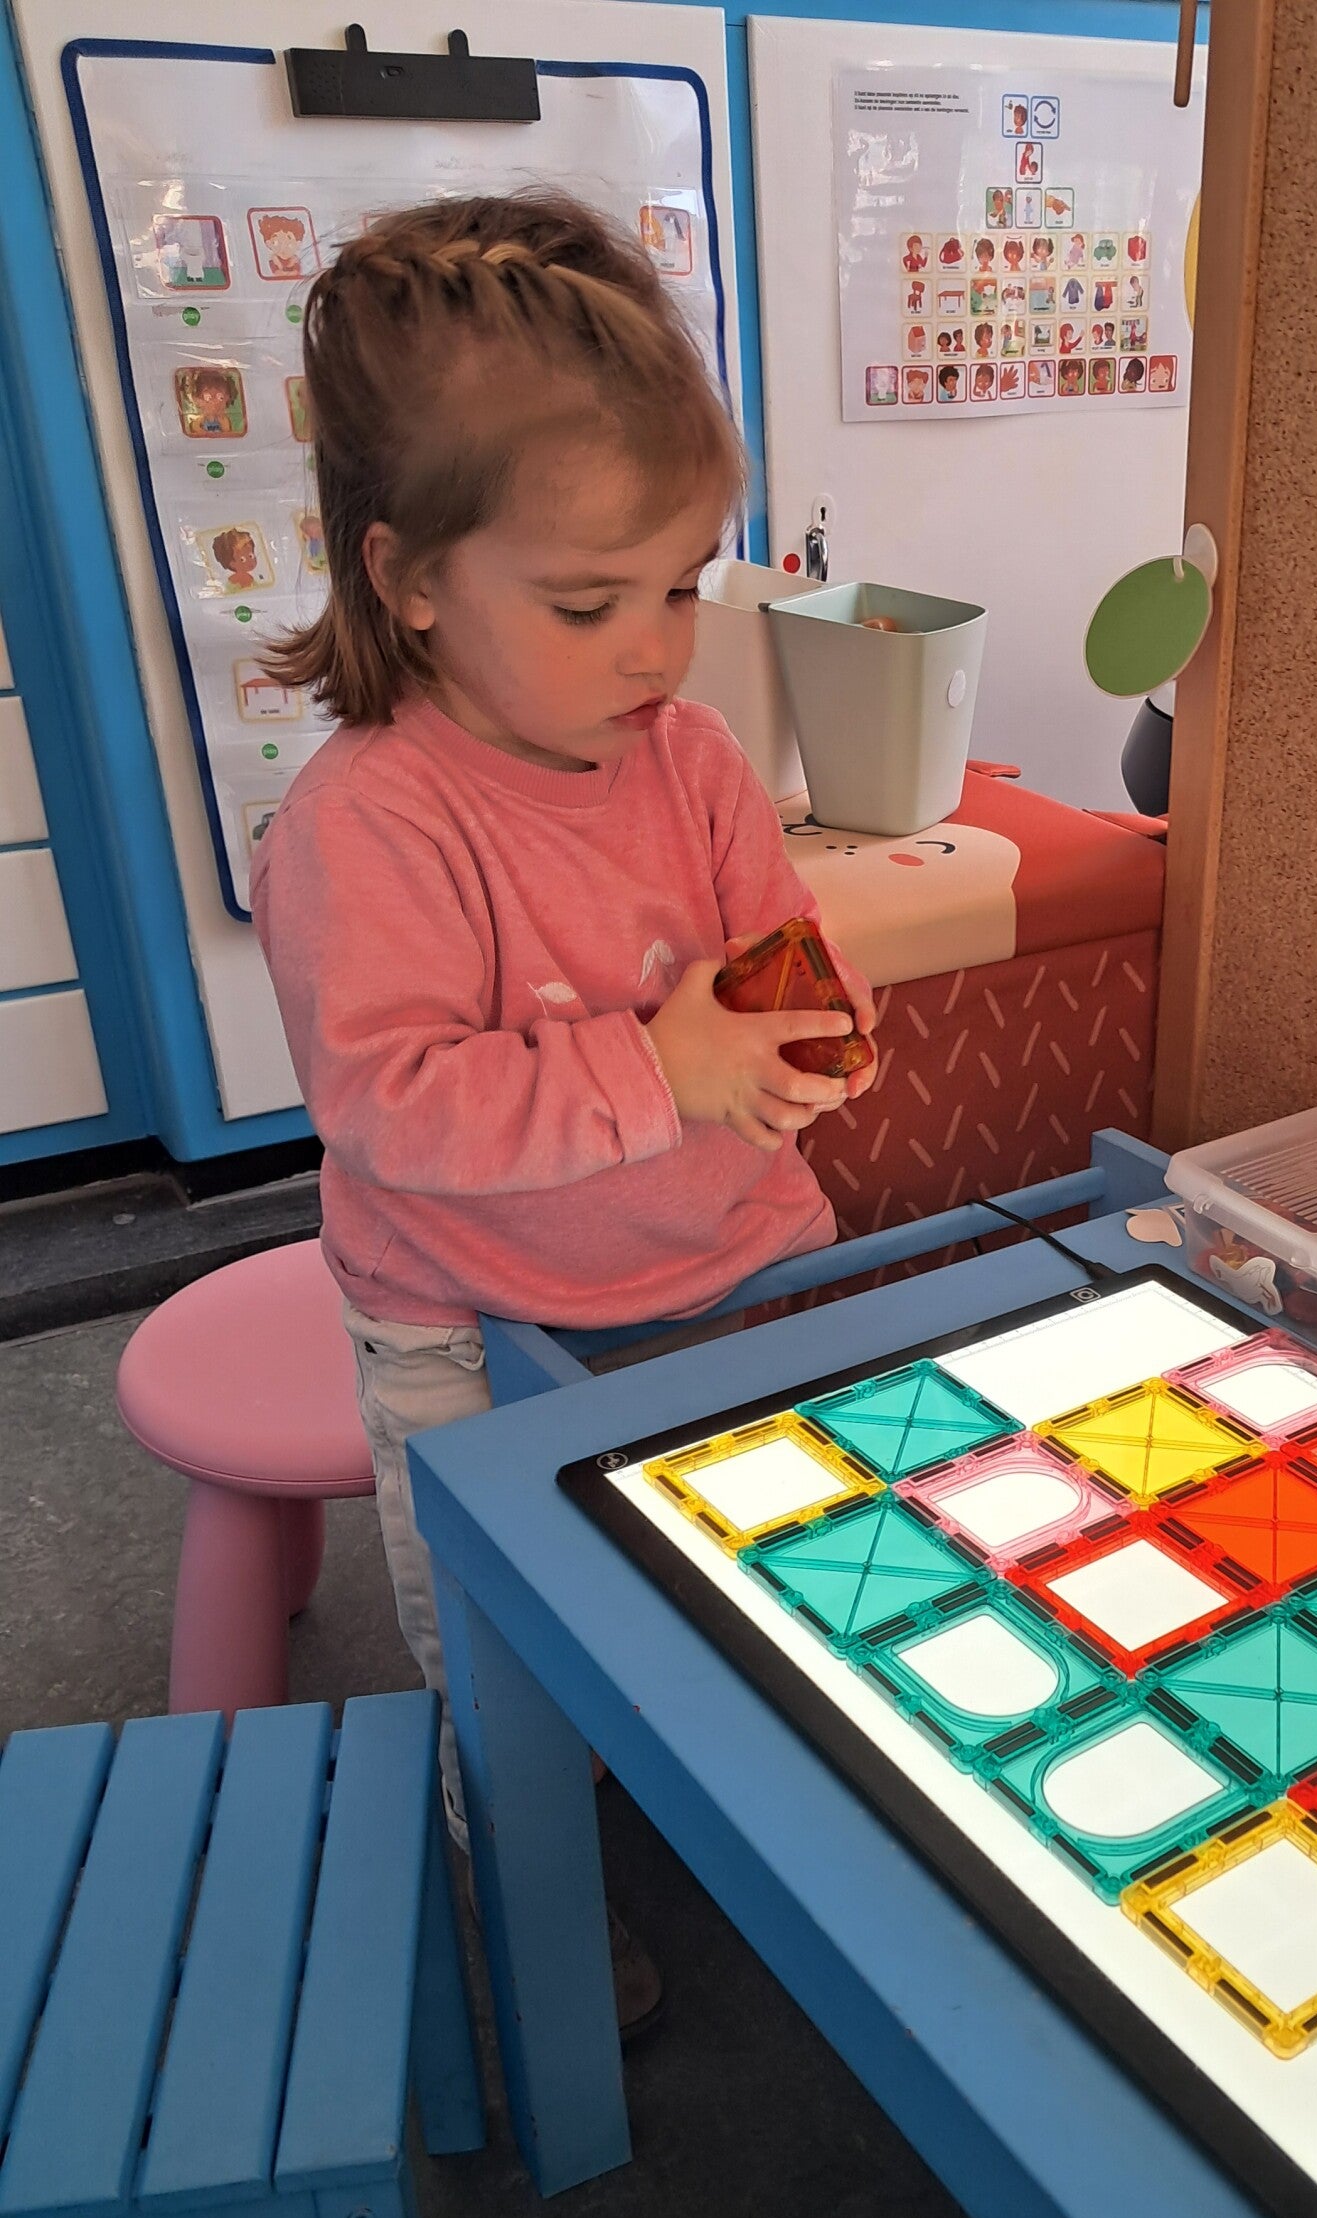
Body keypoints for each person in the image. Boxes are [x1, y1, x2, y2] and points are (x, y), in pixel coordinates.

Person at [251, 191, 877, 2035]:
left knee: (765, 1573)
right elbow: (393, 1109)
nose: (657, 651)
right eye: (592, 604)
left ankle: (748, 1797)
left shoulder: (694, 758)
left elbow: (774, 950)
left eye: (683, 587)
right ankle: (521, 1871)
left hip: (723, 1261)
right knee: (508, 1645)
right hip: (469, 1321)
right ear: (408, 578)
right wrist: (661, 1067)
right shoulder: (367, 823)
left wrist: (812, 1031)